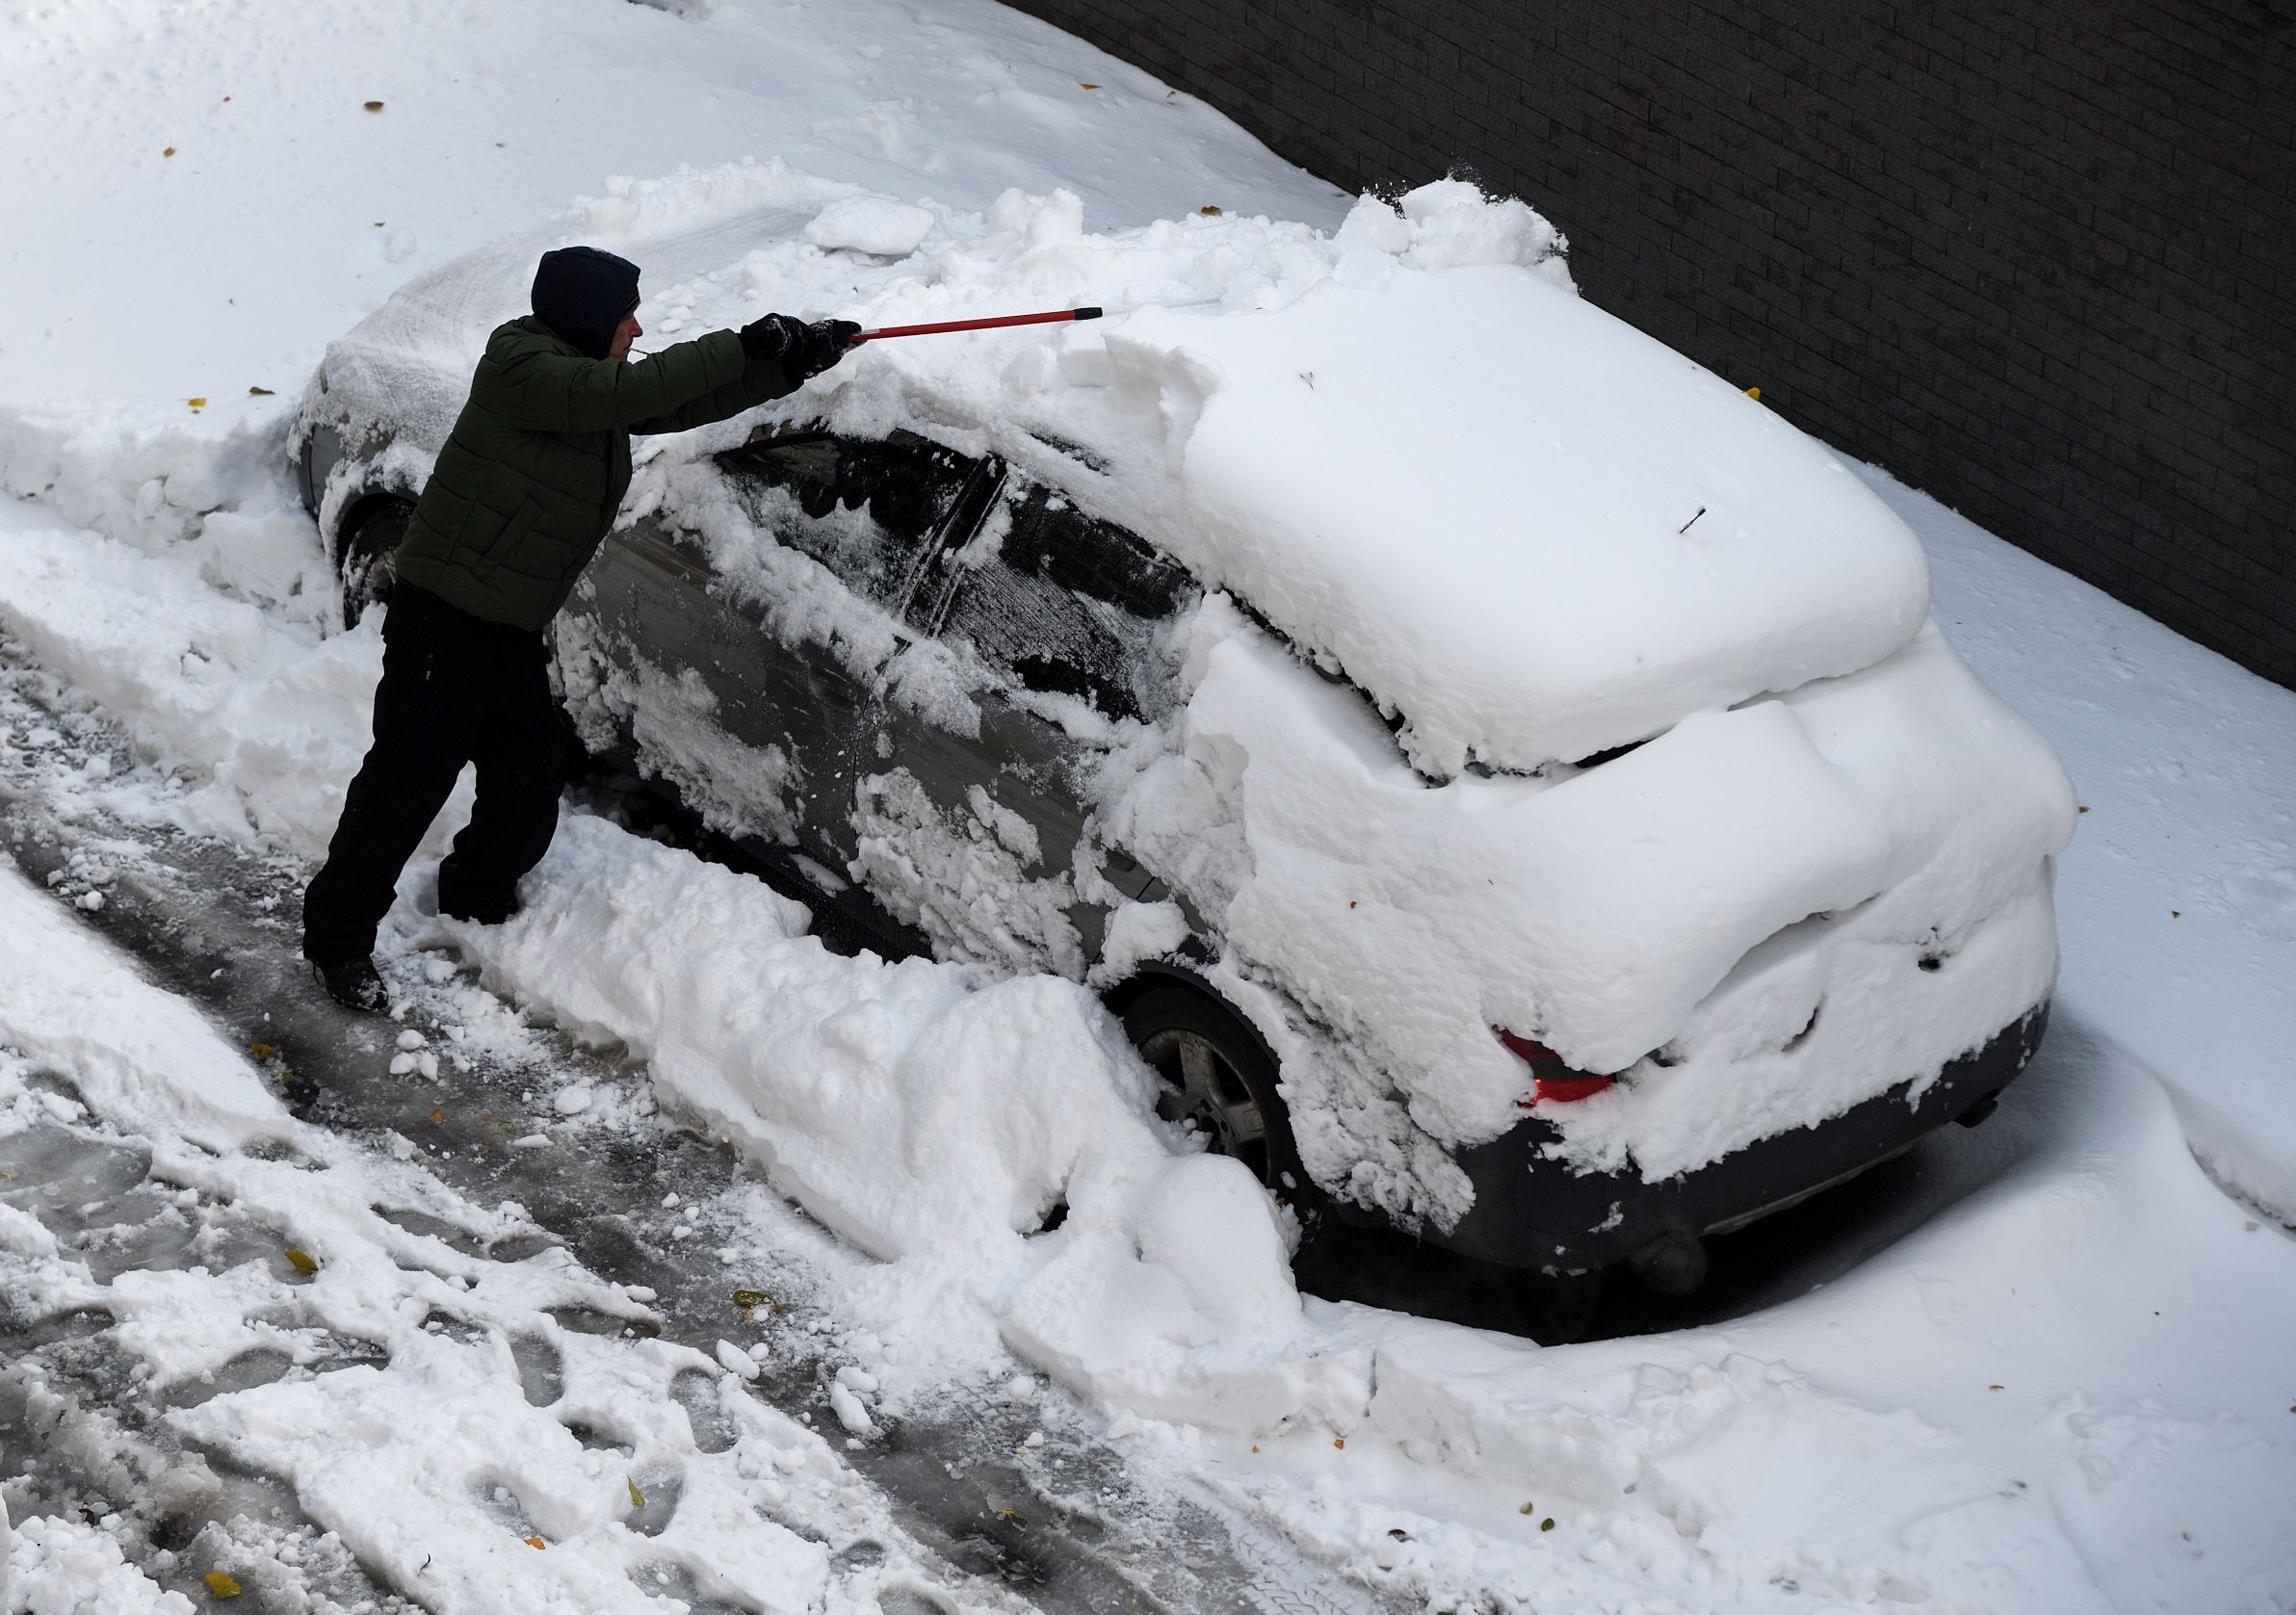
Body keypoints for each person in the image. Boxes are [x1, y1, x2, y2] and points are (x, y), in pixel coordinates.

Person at [300, 245, 859, 1012]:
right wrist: (741, 342)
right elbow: (628, 389)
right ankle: (335, 940)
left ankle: (475, 893)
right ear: (585, 317)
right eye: (624, 312)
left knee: (530, 772)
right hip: (446, 616)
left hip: (507, 622)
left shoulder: (590, 387)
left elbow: (669, 402)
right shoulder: (524, 369)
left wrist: (789, 365)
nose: (637, 325)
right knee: (406, 782)